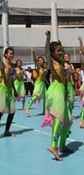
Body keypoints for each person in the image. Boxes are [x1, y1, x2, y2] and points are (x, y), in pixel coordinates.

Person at [41, 30, 73, 161]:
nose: (60, 53)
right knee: (59, 118)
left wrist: (66, 93)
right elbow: (46, 52)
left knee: (68, 120)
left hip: (62, 90)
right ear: (53, 52)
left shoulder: (61, 63)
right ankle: (53, 146)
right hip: (55, 90)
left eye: (61, 50)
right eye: (58, 51)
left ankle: (62, 145)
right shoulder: (52, 62)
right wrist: (48, 38)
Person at [0, 42, 16, 141]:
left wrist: (14, 90)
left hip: (10, 89)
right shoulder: (3, 64)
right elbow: (0, 59)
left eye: (12, 54)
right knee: (0, 111)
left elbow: (12, 79)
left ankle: (7, 130)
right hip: (2, 89)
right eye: (10, 53)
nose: (11, 55)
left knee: (12, 112)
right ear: (5, 54)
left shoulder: (12, 66)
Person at [25, 51, 47, 115]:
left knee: (45, 97)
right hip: (38, 83)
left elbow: (44, 78)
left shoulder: (44, 69)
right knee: (36, 96)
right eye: (39, 60)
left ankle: (44, 111)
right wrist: (34, 54)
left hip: (43, 84)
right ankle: (27, 108)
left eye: (42, 60)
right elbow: (35, 60)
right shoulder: (38, 67)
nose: (41, 61)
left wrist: (48, 83)